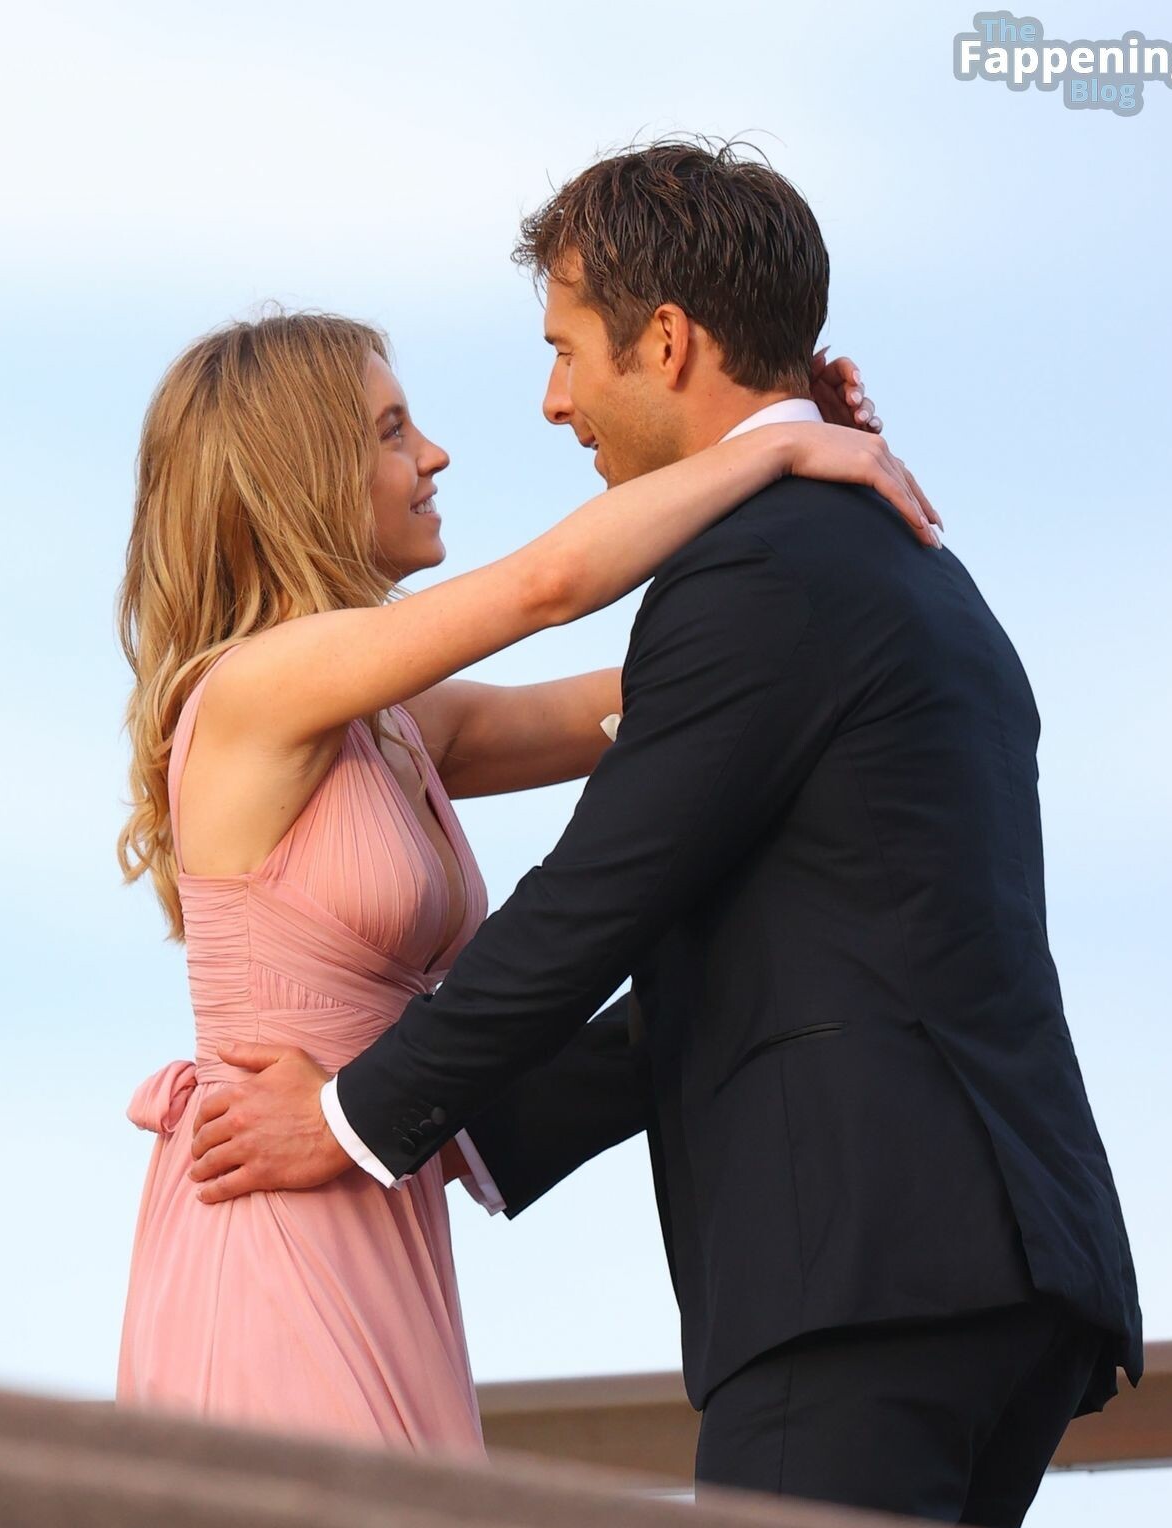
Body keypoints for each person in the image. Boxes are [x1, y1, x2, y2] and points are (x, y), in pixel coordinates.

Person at [190, 140, 1142, 1528]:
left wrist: (355, 1115)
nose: (552, 400)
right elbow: (733, 943)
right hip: (1000, 1262)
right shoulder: (890, 563)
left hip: (861, 1275)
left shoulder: (768, 567)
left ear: (670, 342)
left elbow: (594, 897)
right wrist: (462, 1137)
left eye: (566, 351)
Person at [117, 304, 920, 1451]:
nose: (433, 455)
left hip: (370, 1210)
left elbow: (683, 688)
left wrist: (830, 519)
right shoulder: (255, 694)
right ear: (301, 476)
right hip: (269, 1226)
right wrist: (776, 445)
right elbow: (547, 585)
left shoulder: (396, 725)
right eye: (391, 432)